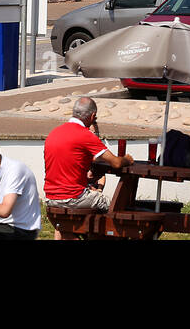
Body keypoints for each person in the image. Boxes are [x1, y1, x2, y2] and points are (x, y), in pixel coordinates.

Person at [43, 97, 133, 239]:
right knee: (117, 208)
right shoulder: (85, 135)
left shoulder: (53, 133)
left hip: (50, 198)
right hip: (74, 198)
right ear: (92, 116)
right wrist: (127, 159)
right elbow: (115, 162)